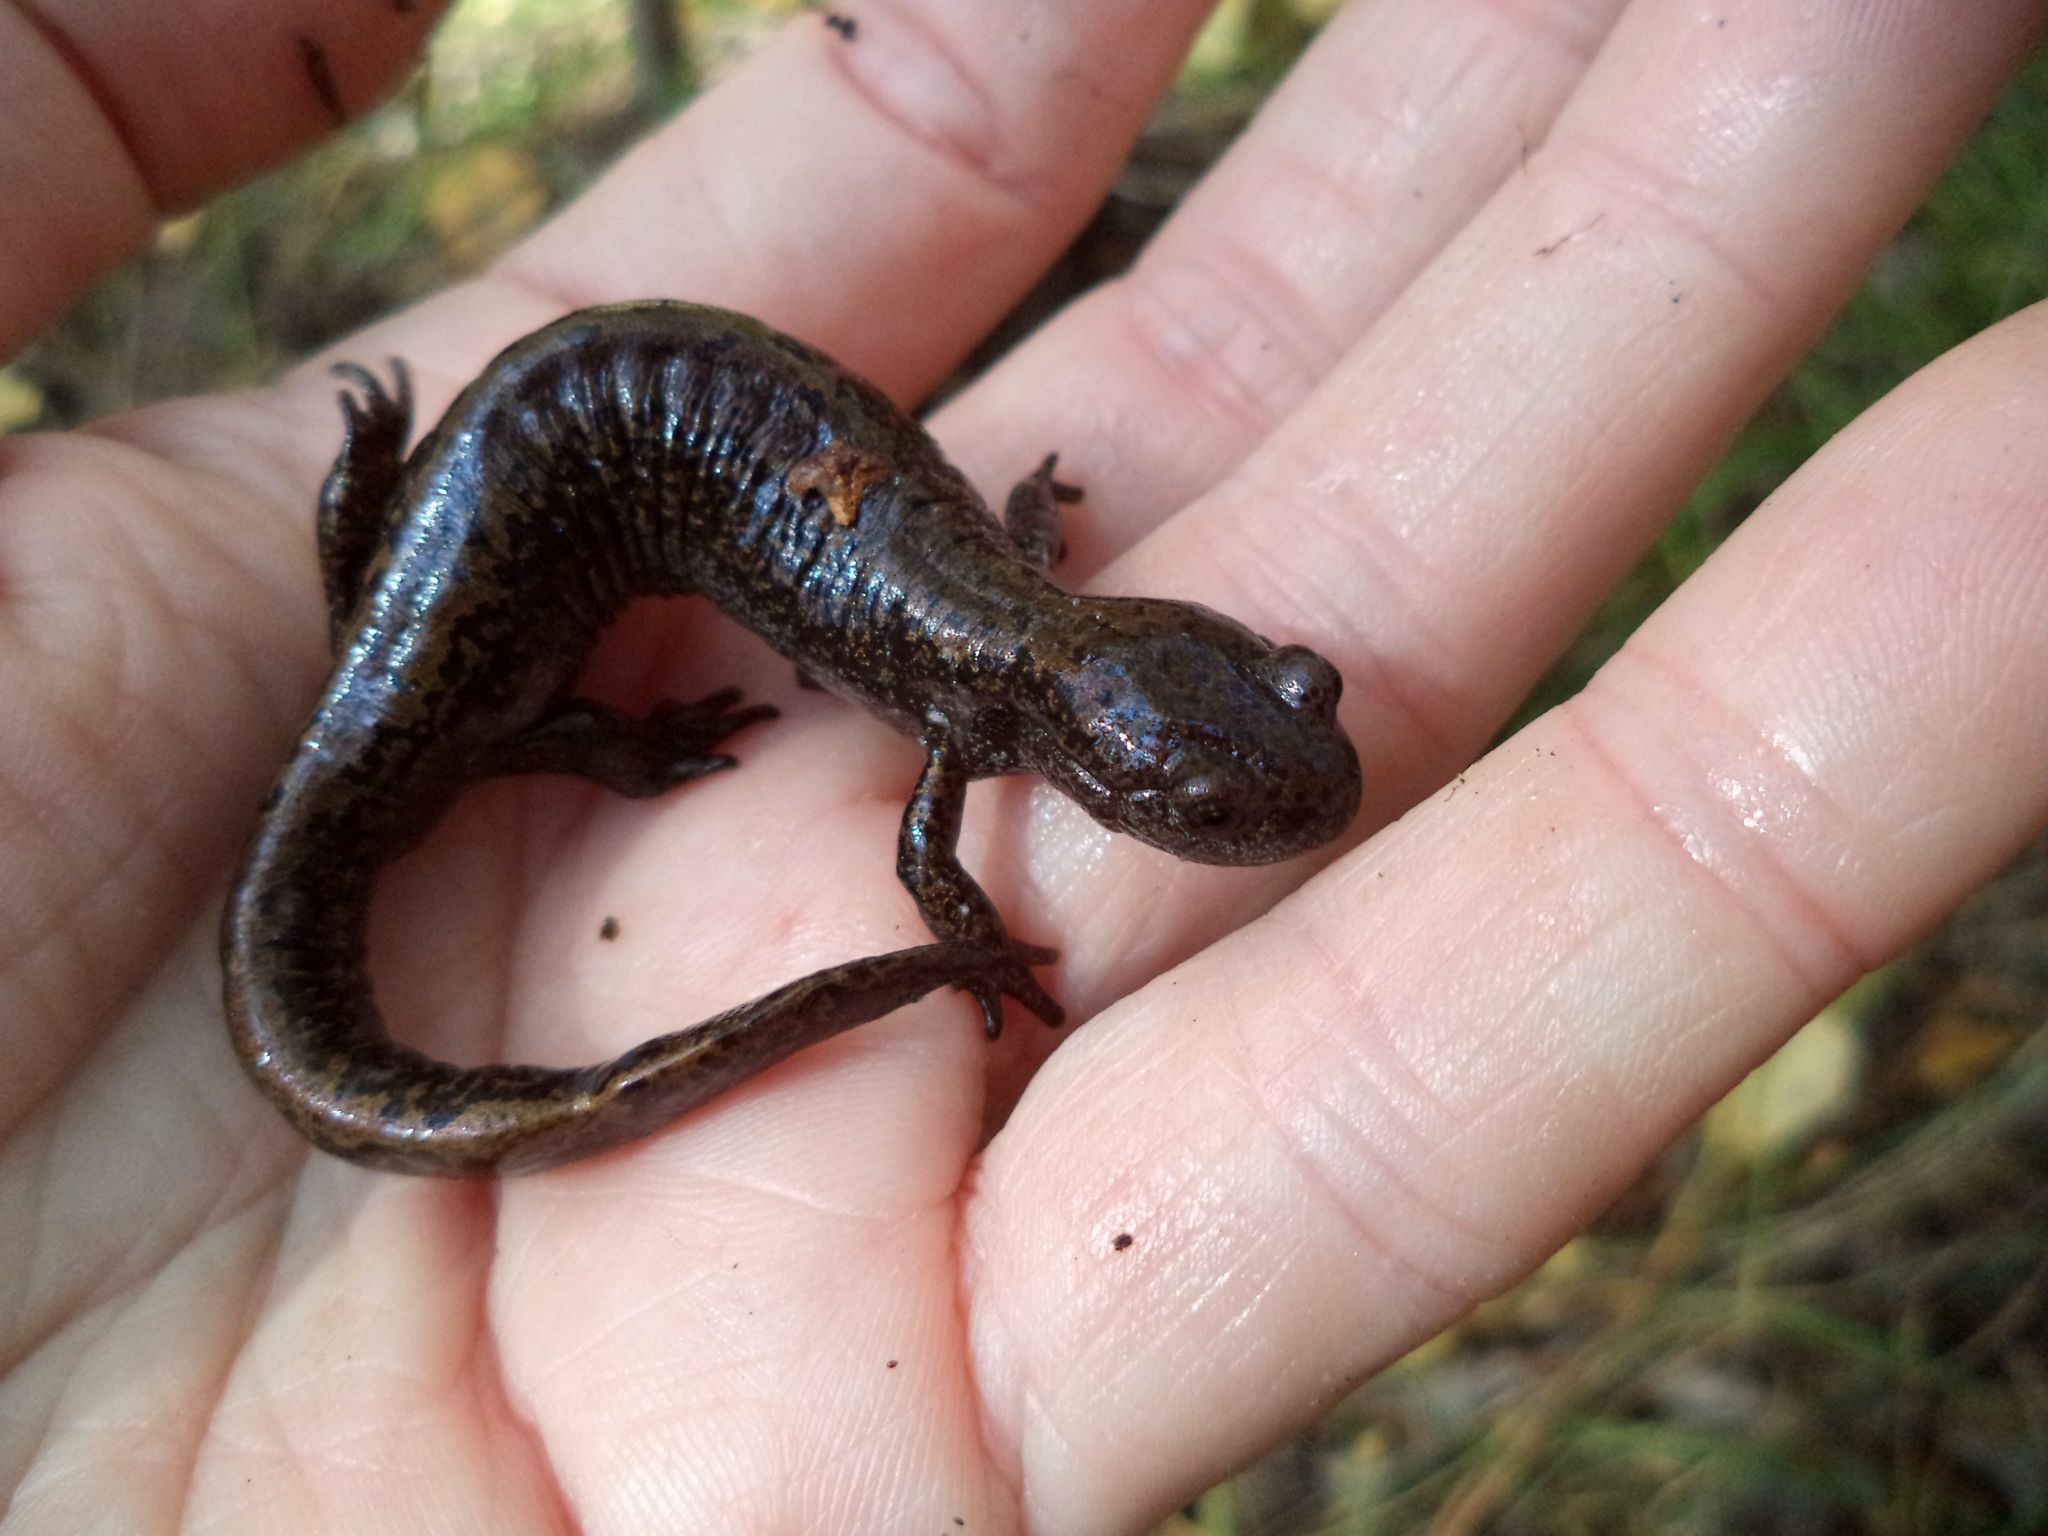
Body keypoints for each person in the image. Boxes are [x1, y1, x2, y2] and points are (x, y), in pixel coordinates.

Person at [3, 2, 2043, 1530]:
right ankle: (541, 699)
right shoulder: (985, 686)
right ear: (1103, 737)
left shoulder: (997, 652)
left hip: (525, 494)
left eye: (1256, 752)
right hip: (500, 559)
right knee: (464, 704)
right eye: (1217, 799)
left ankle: (499, 653)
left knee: (455, 694)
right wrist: (919, 928)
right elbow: (926, 851)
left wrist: (931, 902)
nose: (1261, 797)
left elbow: (970, 677)